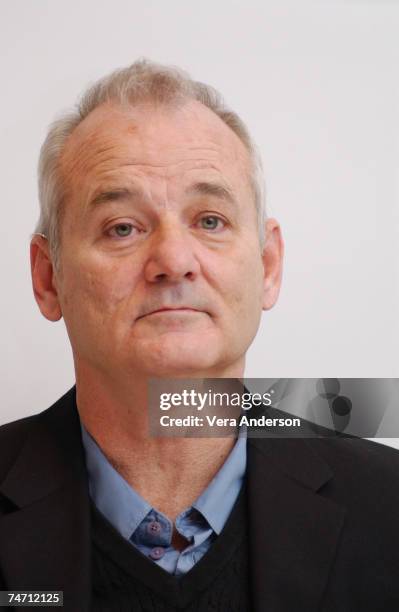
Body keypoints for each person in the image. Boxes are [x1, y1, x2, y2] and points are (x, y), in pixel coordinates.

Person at [0, 59, 398, 612]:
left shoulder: (389, 509)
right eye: (122, 227)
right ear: (48, 279)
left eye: (210, 220)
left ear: (268, 265)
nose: (173, 260)